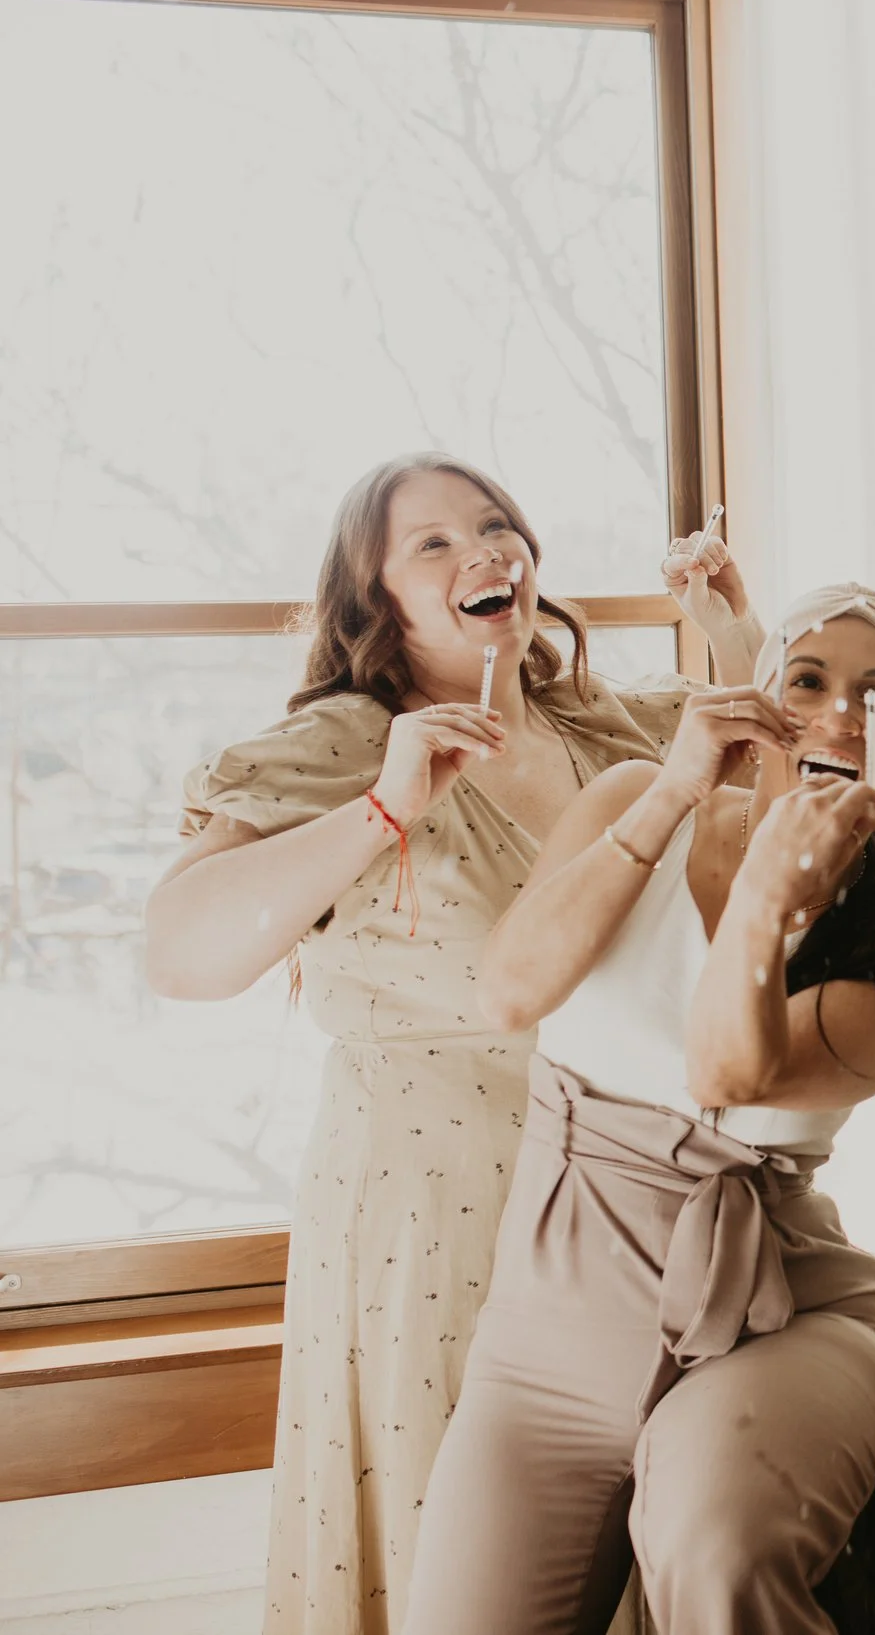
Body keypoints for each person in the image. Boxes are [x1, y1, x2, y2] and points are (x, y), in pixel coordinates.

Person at [145, 453, 762, 1635]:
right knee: (467, 1569)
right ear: (373, 596)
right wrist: (385, 804)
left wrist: (733, 629)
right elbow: (179, 952)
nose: (483, 550)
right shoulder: (342, 741)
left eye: (495, 525)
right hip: (437, 1224)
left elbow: (783, 789)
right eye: (430, 542)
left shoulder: (608, 726)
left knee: (643, 1554)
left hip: (633, 1211)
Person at [400, 583, 875, 1633]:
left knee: (716, 1547)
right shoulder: (633, 798)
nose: (842, 714)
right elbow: (509, 991)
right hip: (544, 1351)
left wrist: (768, 892)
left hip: (777, 1328)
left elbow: (725, 1073)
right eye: (808, 681)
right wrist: (673, 792)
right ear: (761, 704)